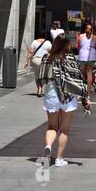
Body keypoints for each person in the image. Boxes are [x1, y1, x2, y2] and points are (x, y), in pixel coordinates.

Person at [37, 34, 90, 167]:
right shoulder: (70, 58)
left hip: (51, 93)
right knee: (64, 130)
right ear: (67, 45)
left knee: (52, 127)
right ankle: (59, 159)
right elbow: (78, 80)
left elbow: (41, 76)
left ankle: (48, 146)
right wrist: (85, 97)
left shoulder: (47, 58)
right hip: (68, 95)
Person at [24, 32, 52, 96]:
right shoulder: (48, 42)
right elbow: (51, 51)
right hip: (44, 61)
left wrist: (26, 61)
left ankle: (39, 89)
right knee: (42, 75)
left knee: (37, 76)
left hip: (35, 60)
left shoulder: (34, 42)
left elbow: (31, 52)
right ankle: (40, 88)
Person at [76, 22, 96, 97]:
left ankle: (81, 90)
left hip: (82, 57)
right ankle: (88, 93)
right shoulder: (95, 37)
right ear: (92, 30)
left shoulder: (80, 36)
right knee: (89, 74)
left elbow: (78, 46)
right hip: (91, 57)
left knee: (82, 73)